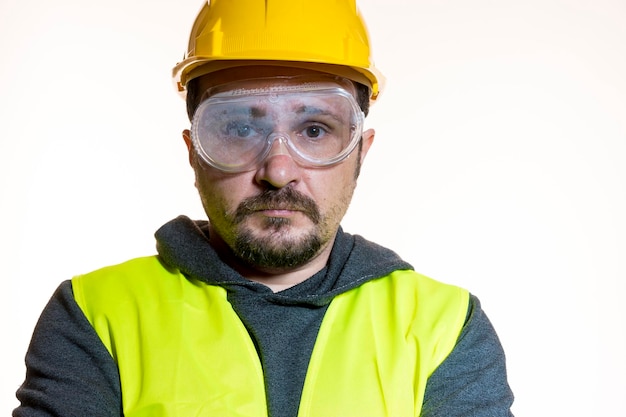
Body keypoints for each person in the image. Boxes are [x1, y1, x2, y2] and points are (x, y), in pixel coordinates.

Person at [13, 0, 515, 416]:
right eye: (239, 128)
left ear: (361, 151)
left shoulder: (443, 328)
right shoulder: (95, 315)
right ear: (193, 152)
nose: (277, 170)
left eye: (314, 130)